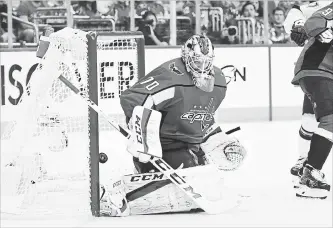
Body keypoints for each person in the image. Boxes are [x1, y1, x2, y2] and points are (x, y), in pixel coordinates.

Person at [101, 35, 247, 216]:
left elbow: (202, 119)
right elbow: (132, 99)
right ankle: (117, 196)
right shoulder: (171, 77)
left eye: (206, 61)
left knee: (206, 179)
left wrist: (219, 140)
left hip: (189, 146)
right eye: (197, 60)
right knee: (188, 177)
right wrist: (142, 137)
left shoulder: (218, 82)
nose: (202, 67)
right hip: (162, 147)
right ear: (186, 57)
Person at [286, 1, 333, 199]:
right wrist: (315, 29)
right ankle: (309, 175)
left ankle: (308, 169)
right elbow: (314, 19)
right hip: (316, 67)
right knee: (329, 119)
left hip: (325, 71)